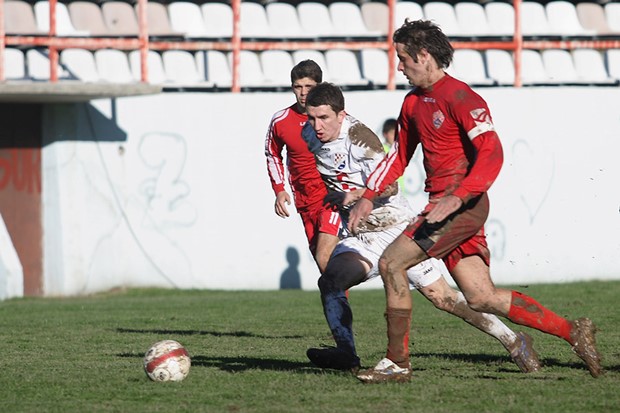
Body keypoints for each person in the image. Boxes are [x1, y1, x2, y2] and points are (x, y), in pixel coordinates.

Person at [347, 20, 602, 382]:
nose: (399, 66)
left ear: (424, 55)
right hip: (443, 207)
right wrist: (370, 197)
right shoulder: (412, 103)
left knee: (391, 263)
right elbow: (399, 155)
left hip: (460, 207)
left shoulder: (462, 97)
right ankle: (572, 330)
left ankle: (397, 363)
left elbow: (492, 151)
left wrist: (460, 197)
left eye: (403, 58)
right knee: (481, 297)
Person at [301, 82, 541, 376]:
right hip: (362, 235)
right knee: (331, 281)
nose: (316, 125)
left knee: (444, 298)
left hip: (393, 227)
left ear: (341, 114)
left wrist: (356, 196)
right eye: (311, 118)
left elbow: (388, 184)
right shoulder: (309, 135)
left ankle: (513, 339)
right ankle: (347, 354)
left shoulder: (360, 140)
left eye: (323, 118)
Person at [264, 60, 341, 273]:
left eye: (309, 87)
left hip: (331, 197)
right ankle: (339, 305)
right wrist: (279, 191)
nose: (303, 93)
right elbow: (272, 154)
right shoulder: (281, 120)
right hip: (304, 201)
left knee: (326, 258)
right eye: (298, 87)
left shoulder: (333, 116)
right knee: (325, 266)